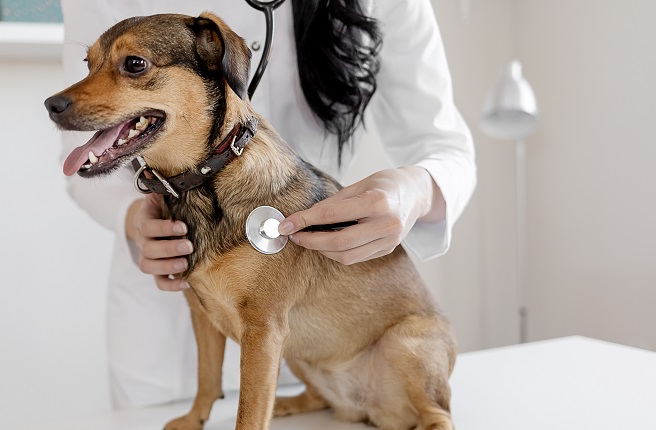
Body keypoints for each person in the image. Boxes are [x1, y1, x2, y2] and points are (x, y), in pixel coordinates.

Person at [59, 0, 476, 410]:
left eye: (133, 65)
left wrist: (413, 192)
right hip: (159, 351)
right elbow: (77, 159)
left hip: (324, 317)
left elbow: (445, 145)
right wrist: (132, 217)